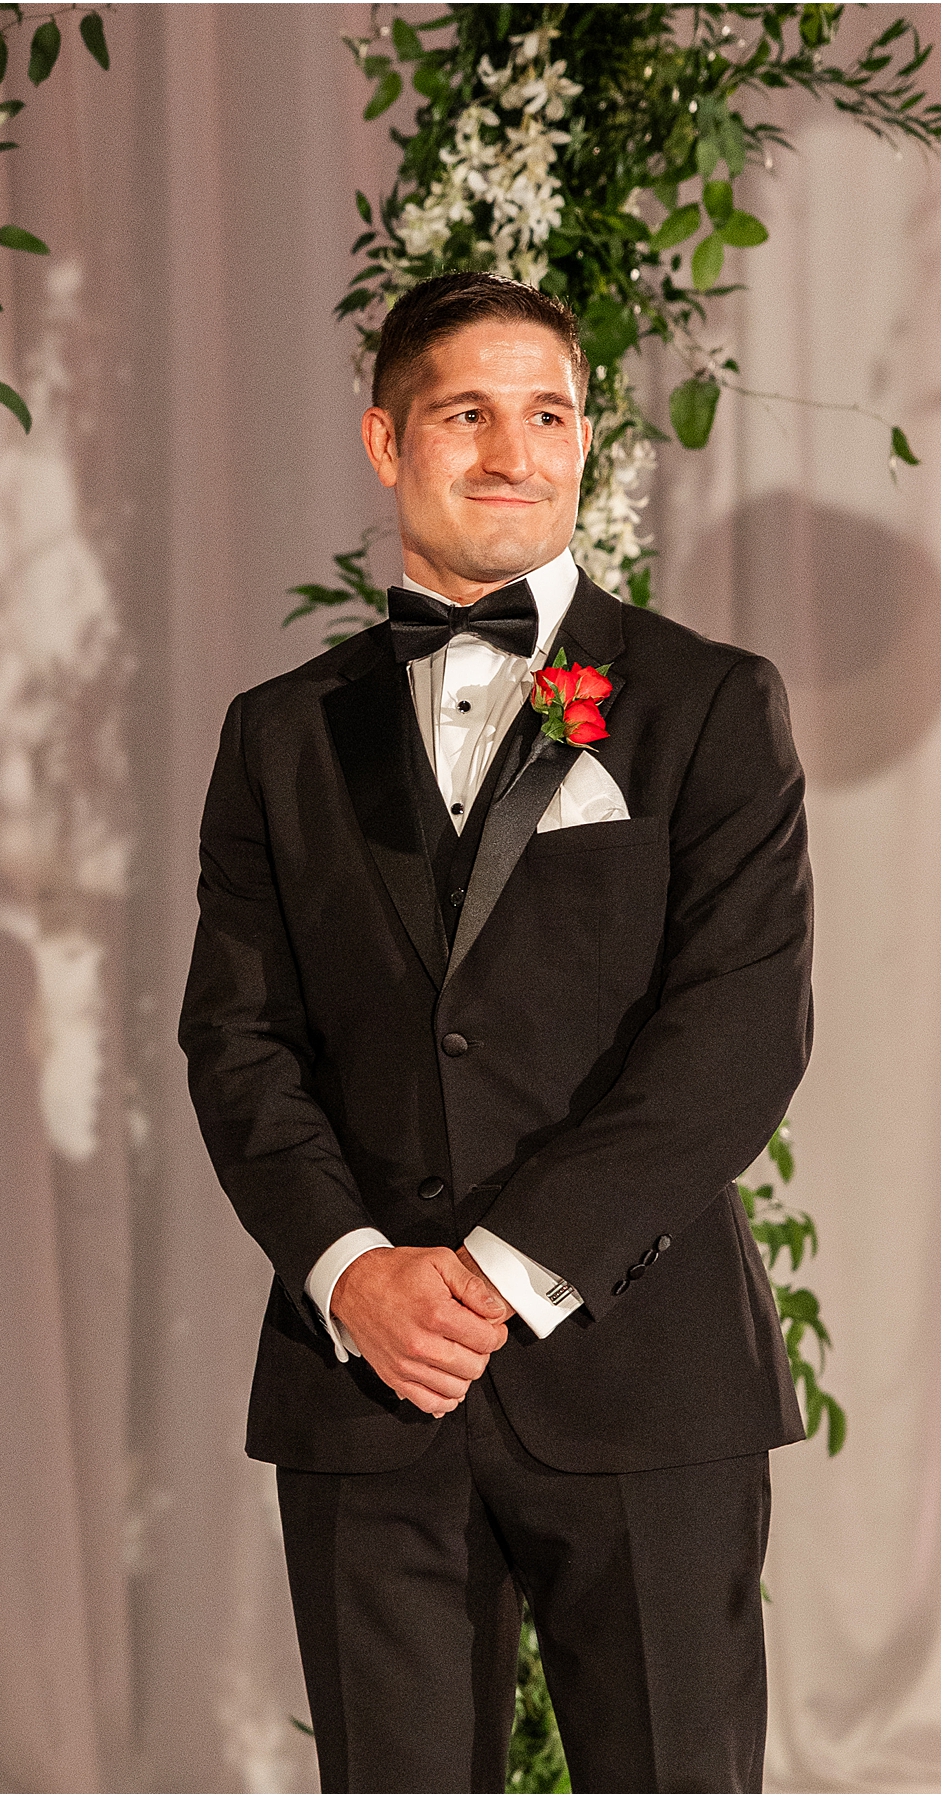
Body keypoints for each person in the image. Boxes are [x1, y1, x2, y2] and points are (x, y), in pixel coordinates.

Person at [179, 272, 812, 1794]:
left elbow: (736, 1032)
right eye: (468, 414)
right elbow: (237, 1036)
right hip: (367, 1380)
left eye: (550, 416)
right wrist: (355, 1272)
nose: (514, 452)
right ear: (386, 441)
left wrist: (498, 1268)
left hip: (641, 1363)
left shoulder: (710, 704)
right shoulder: (280, 734)